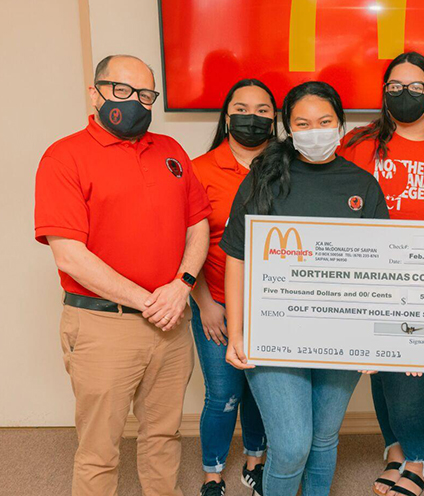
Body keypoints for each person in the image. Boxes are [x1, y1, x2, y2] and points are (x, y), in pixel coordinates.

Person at [34, 54, 212, 496]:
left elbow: (198, 224)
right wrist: (149, 300)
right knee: (99, 450)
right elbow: (70, 256)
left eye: (145, 94)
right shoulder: (64, 156)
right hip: (103, 325)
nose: (134, 101)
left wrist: (182, 286)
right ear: (94, 93)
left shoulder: (171, 151)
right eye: (122, 90)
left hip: (171, 323)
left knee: (164, 438)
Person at [220, 81, 390, 496]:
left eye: (324, 121)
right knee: (292, 444)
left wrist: (377, 341)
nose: (315, 130)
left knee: (324, 439)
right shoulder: (263, 177)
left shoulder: (363, 185)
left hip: (343, 336)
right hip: (273, 333)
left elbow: (383, 267)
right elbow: (237, 257)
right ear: (288, 128)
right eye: (303, 123)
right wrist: (236, 332)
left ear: (340, 125)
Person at [338, 51, 424, 496]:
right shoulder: (357, 143)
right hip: (368, 281)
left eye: (415, 87)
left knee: (411, 383)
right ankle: (395, 449)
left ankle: (418, 457)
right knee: (381, 374)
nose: (404, 94)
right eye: (394, 86)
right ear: (383, 92)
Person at [190, 79, 277, 495]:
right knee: (223, 394)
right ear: (227, 116)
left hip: (275, 307)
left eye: (263, 110)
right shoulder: (200, 169)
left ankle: (255, 461)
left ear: (275, 118)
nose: (252, 118)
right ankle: (212, 473)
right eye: (242, 108)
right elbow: (187, 244)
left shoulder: (288, 165)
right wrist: (205, 303)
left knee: (262, 392)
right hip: (218, 302)